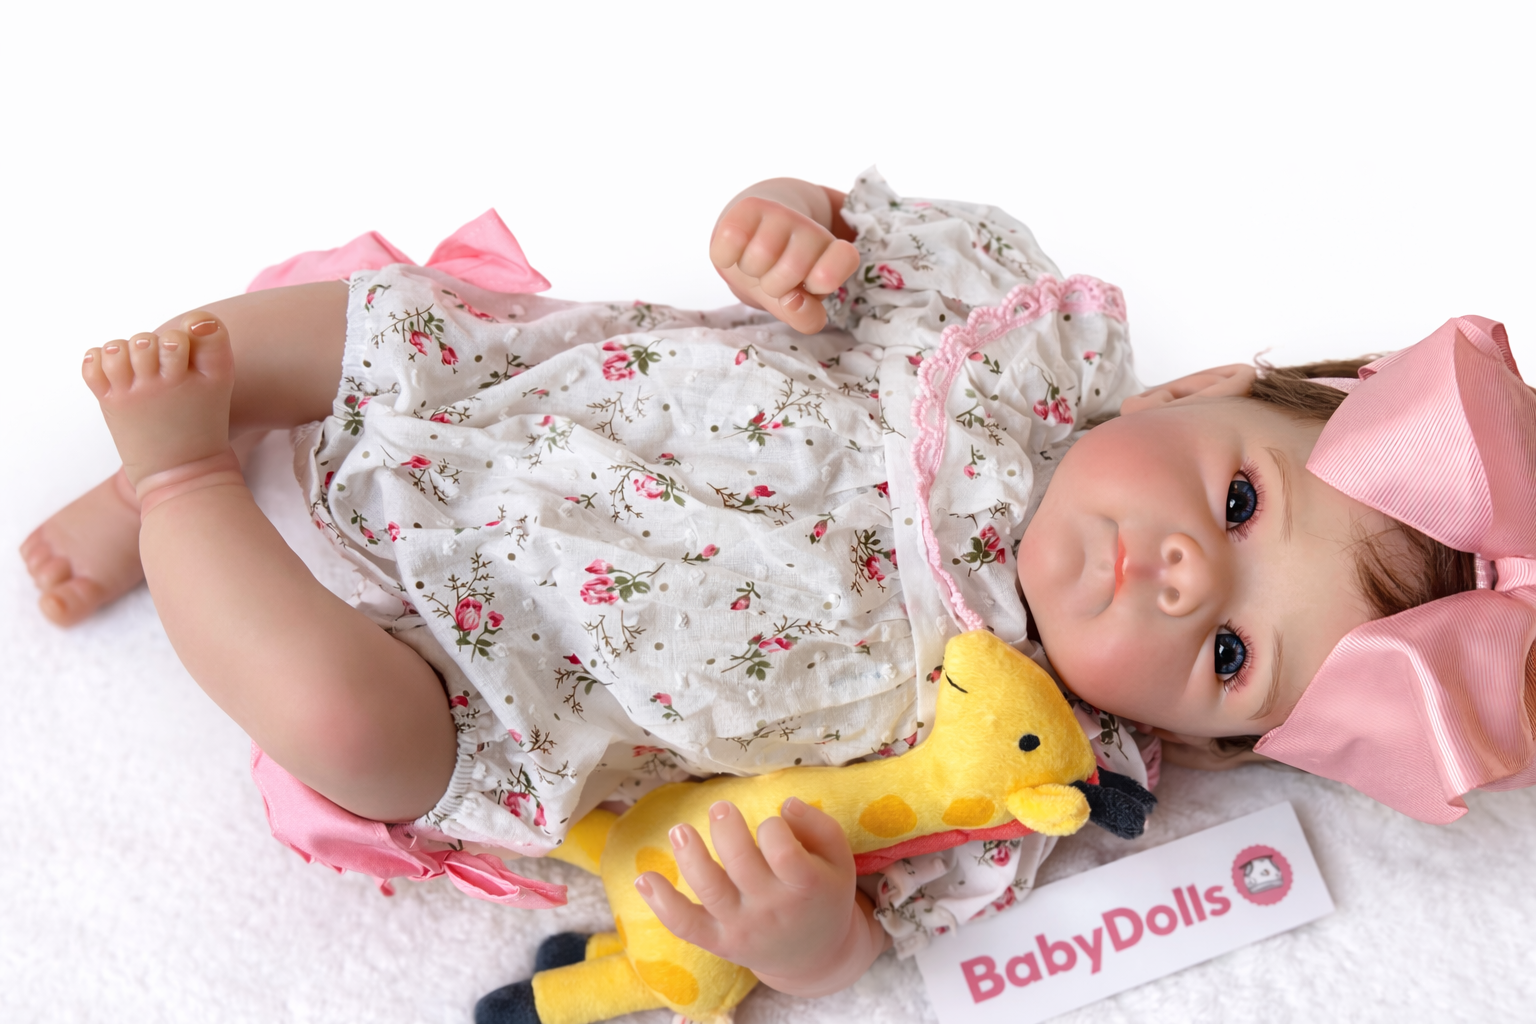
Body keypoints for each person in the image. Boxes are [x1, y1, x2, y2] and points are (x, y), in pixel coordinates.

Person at [19, 170, 1535, 1000]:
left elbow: (880, 928)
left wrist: (809, 938)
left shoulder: (1017, 794)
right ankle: (184, 419)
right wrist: (781, 228)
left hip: (505, 680)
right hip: (526, 407)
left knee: (358, 736)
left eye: (1223, 655)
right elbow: (836, 235)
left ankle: (177, 489)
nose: (1188, 576)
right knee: (370, 328)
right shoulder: (1015, 346)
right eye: (1242, 499)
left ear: (1203, 745)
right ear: (1207, 383)